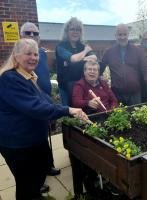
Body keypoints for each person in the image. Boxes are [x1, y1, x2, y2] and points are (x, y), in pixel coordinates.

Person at [0, 38, 89, 200]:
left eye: (35, 54)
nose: (34, 58)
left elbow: (43, 100)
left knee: (43, 165)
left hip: (34, 137)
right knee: (25, 183)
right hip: (17, 142)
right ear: (16, 56)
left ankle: (34, 192)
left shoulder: (28, 75)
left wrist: (58, 108)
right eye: (28, 54)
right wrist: (68, 109)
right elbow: (35, 107)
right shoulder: (10, 78)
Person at [20, 22, 60, 193]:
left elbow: (43, 75)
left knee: (45, 137)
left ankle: (47, 166)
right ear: (21, 35)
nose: (32, 35)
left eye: (35, 33)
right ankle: (35, 178)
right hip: (32, 102)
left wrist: (48, 97)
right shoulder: (20, 56)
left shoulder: (42, 53)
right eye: (27, 33)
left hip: (44, 99)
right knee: (34, 140)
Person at [101, 24, 147, 106]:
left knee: (135, 117)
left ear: (128, 35)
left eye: (125, 34)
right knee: (119, 118)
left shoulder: (137, 51)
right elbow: (100, 69)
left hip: (135, 94)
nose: (122, 37)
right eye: (120, 34)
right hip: (116, 94)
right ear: (115, 35)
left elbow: (146, 70)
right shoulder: (109, 52)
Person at [55, 17, 97, 106]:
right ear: (67, 31)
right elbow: (73, 58)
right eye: (72, 29)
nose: (75, 32)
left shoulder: (81, 45)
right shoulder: (61, 46)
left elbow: (94, 57)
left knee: (83, 109)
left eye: (78, 30)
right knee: (69, 113)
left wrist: (78, 59)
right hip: (65, 87)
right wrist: (85, 52)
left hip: (82, 86)